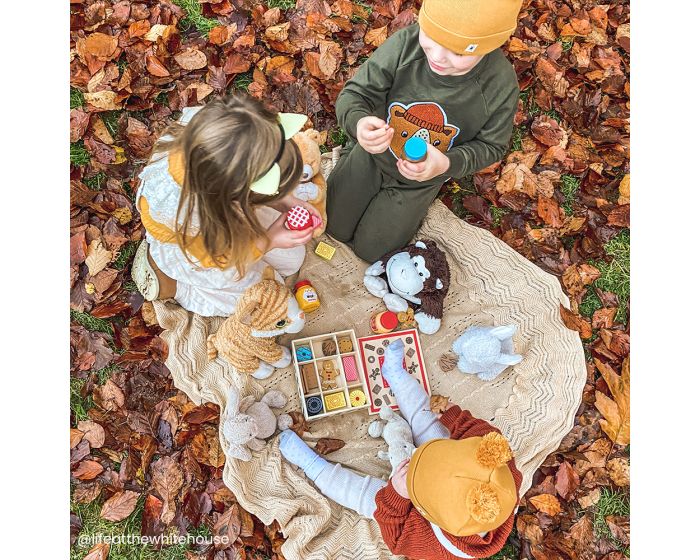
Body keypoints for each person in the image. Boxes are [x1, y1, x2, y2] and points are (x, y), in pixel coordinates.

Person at [279, 339, 522, 559]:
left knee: (361, 495)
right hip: (447, 457)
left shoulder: (433, 545)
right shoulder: (497, 459)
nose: (415, 455)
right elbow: (473, 428)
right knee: (426, 419)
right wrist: (449, 415)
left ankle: (310, 464)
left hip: (406, 508)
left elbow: (394, 538)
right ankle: (395, 374)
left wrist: (396, 493)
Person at [326, 0, 523, 262]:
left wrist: (446, 164)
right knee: (331, 225)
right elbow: (356, 93)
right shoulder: (406, 45)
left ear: (489, 46)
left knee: (372, 251)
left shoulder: (499, 84)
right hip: (371, 156)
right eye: (431, 37)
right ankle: (354, 159)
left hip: (419, 182)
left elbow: (492, 146)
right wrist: (359, 123)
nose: (438, 56)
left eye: (459, 53)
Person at [131, 95, 320, 318]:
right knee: (260, 298)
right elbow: (221, 260)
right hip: (201, 252)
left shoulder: (226, 134)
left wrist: (286, 201)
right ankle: (174, 284)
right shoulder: (194, 215)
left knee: (292, 260)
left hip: (228, 214)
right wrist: (268, 240)